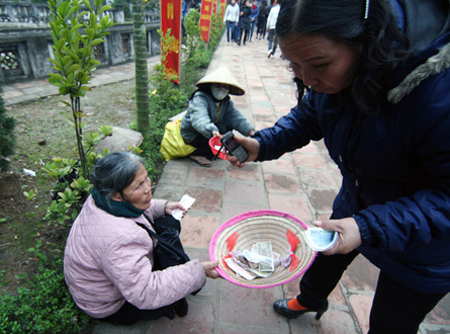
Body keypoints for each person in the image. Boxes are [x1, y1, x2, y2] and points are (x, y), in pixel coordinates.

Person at [228, 0, 450, 333]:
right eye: (295, 67)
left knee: (390, 322)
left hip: (426, 249)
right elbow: (310, 114)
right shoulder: (336, 77)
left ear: (367, 40)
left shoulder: (438, 93)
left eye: (318, 64)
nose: (308, 80)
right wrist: (263, 144)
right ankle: (310, 300)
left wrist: (367, 227)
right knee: (326, 257)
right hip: (358, 202)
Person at [64, 152, 219, 325]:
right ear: (116, 195)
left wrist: (164, 207)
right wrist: (197, 272)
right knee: (169, 286)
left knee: (169, 221)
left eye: (146, 179)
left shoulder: (101, 197)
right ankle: (174, 303)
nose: (148, 188)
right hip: (111, 304)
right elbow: (145, 292)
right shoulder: (119, 239)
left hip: (109, 275)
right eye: (138, 186)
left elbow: (132, 209)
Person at [181, 66, 255, 167]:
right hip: (193, 133)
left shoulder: (226, 102)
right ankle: (197, 154)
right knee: (213, 137)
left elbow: (237, 118)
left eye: (225, 86)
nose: (221, 88)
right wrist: (212, 131)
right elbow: (199, 119)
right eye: (218, 85)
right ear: (211, 85)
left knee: (228, 130)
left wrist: (251, 132)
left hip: (210, 130)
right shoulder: (200, 98)